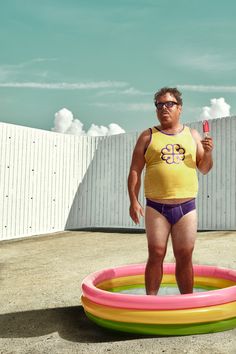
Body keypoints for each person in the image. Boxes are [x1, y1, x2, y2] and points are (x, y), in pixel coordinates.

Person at [127, 87, 213, 295]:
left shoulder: (192, 135)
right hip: (156, 207)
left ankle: (187, 303)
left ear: (179, 108)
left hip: (186, 207)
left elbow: (204, 168)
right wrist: (133, 201)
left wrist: (208, 153)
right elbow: (135, 170)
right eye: (159, 104)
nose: (164, 108)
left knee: (185, 255)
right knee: (156, 253)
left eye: (169, 104)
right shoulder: (147, 136)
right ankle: (150, 302)